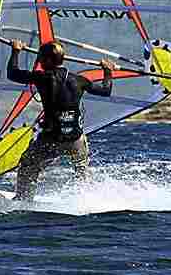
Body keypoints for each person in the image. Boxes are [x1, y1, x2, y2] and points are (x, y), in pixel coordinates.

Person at [6, 39, 114, 200]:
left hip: (52, 139)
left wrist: (16, 51)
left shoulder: (42, 78)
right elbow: (106, 90)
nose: (39, 61)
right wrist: (107, 71)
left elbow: (12, 73)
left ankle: (23, 199)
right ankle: (87, 199)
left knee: (27, 166)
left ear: (49, 60)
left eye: (41, 58)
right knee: (81, 171)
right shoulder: (79, 80)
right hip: (75, 139)